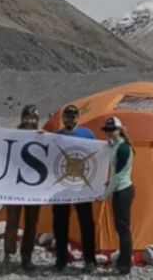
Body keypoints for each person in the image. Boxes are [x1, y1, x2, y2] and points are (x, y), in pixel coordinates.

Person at [52, 104, 98, 272]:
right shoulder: (55, 136)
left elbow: (98, 157)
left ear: (78, 118)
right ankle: (61, 259)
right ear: (63, 118)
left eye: (73, 116)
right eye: (67, 116)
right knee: (60, 224)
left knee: (86, 224)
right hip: (61, 189)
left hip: (82, 189)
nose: (70, 119)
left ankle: (90, 259)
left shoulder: (88, 134)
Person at [3, 105, 42, 273]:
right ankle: (8, 254)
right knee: (12, 223)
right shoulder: (14, 137)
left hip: (33, 189)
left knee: (31, 225)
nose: (30, 121)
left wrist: (44, 138)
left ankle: (26, 257)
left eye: (33, 118)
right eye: (27, 117)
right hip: (15, 188)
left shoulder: (41, 137)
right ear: (22, 118)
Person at [97, 116, 135, 275]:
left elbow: (118, 175)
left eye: (112, 129)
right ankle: (123, 260)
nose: (109, 133)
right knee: (121, 227)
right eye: (107, 130)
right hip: (121, 190)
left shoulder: (123, 148)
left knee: (123, 228)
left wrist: (104, 195)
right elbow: (116, 172)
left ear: (119, 129)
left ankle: (125, 264)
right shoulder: (119, 146)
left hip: (123, 191)